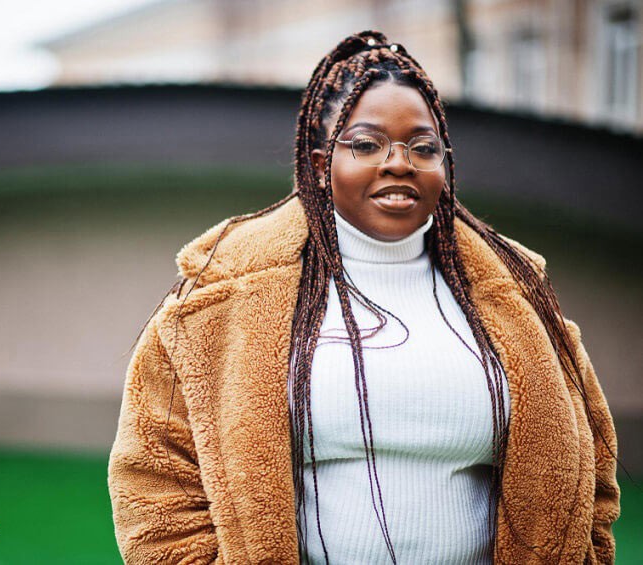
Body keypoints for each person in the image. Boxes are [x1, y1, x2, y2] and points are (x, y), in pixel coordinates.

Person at [108, 30, 621, 564]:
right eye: (367, 144)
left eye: (423, 147)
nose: (399, 163)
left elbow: (590, 481)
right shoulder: (223, 294)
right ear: (319, 162)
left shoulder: (516, 297)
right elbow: (155, 479)